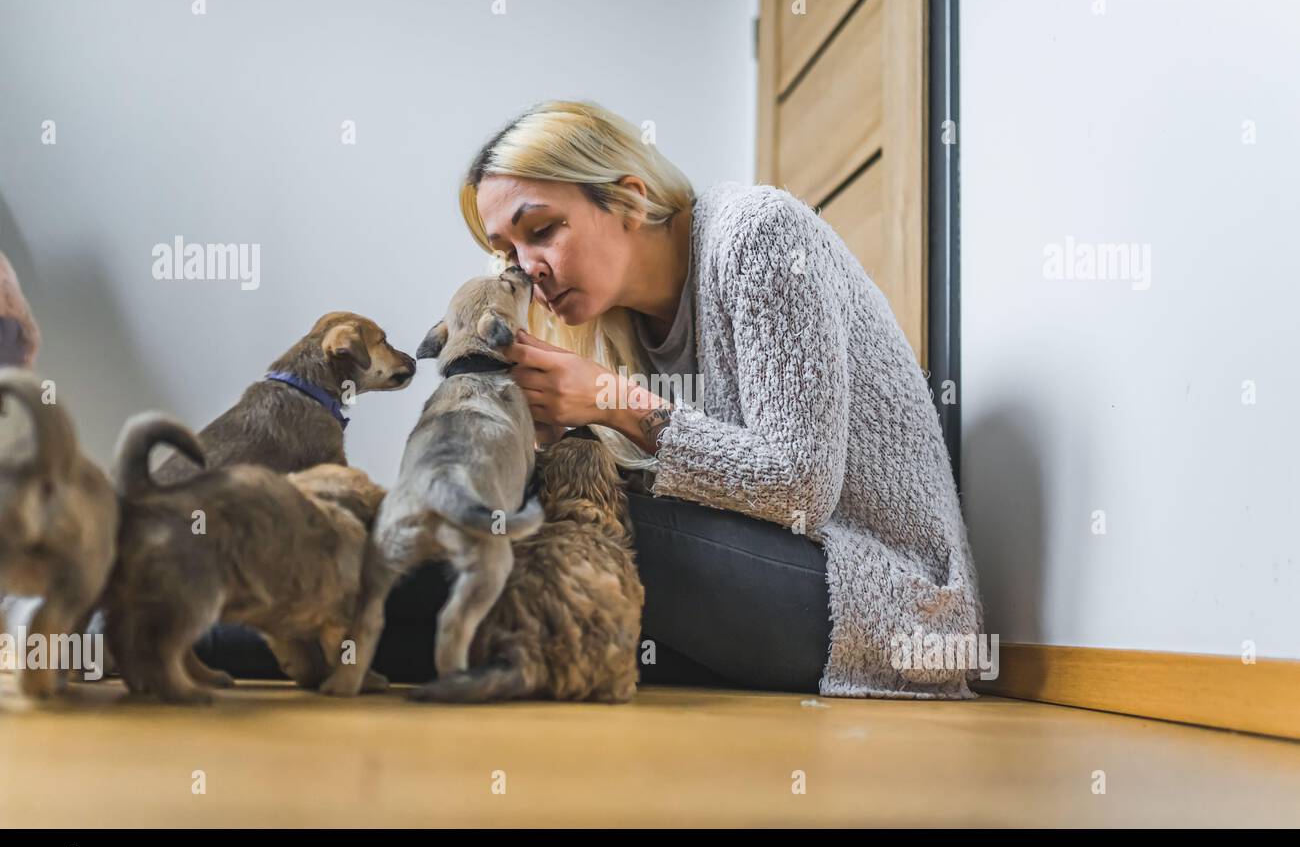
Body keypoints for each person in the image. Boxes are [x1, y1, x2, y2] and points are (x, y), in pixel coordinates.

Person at [203, 100, 983, 699]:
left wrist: (611, 401)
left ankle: (210, 625)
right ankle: (206, 628)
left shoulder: (761, 237)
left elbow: (800, 484)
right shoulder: (623, 326)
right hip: (765, 588)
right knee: (483, 579)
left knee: (570, 531)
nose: (527, 267)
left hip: (886, 607)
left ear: (631, 197)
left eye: (540, 229)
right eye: (507, 252)